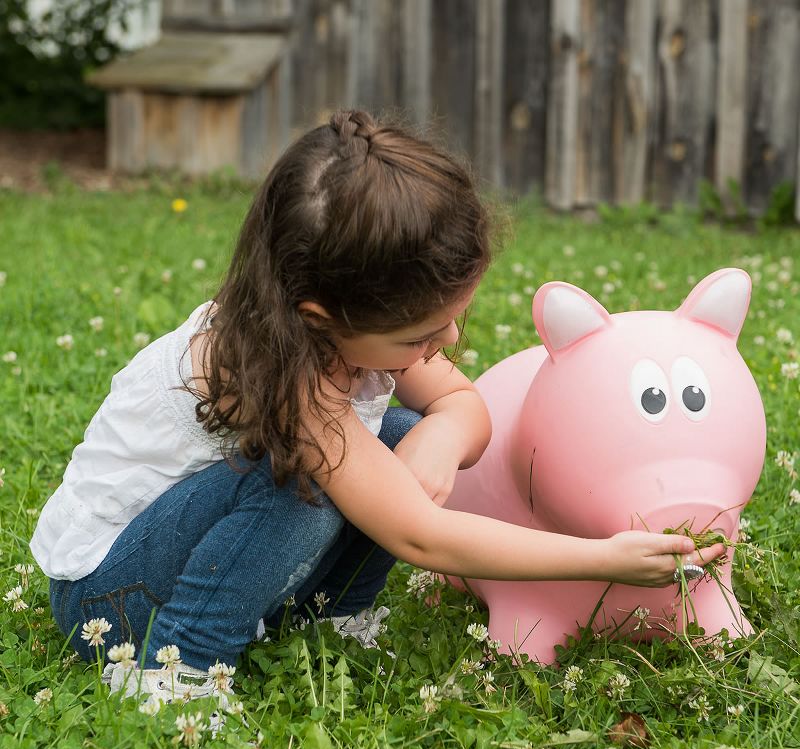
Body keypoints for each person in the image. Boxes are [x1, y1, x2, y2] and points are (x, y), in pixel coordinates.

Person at [31, 110, 725, 703]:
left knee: (399, 431)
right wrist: (601, 558)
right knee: (300, 485)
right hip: (111, 599)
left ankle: (333, 616)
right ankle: (179, 665)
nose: (446, 342)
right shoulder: (279, 374)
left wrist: (441, 437)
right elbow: (419, 535)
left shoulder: (350, 327)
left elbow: (464, 404)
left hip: (200, 548)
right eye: (419, 336)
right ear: (320, 315)